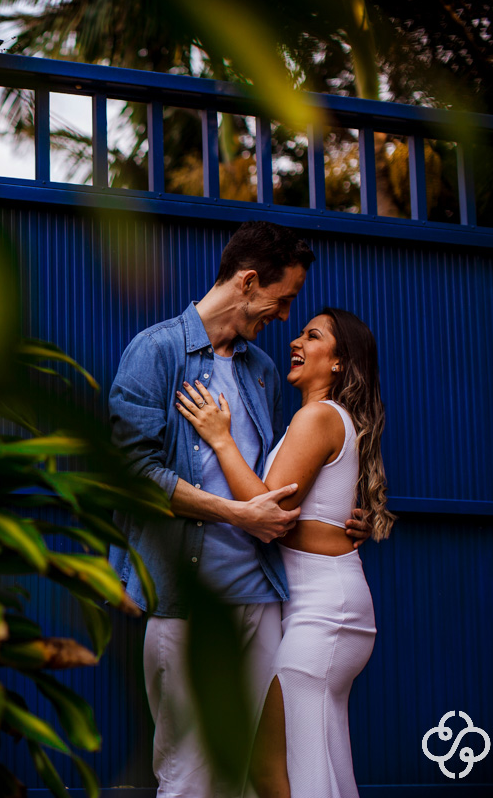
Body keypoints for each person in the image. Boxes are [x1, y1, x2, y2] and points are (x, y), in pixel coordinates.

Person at [107, 220, 371, 798]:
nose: (283, 318)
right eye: (284, 301)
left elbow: (277, 481)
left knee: (246, 774)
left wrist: (339, 518)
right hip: (186, 602)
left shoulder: (263, 371)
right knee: (189, 773)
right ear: (249, 282)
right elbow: (131, 474)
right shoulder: (156, 352)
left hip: (263, 600)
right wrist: (236, 516)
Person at [176, 307, 394, 798]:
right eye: (300, 332)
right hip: (319, 608)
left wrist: (219, 439)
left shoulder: (318, 416)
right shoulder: (316, 419)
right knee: (314, 761)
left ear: (339, 363)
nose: (295, 341)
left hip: (323, 612)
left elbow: (268, 513)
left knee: (292, 769)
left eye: (312, 336)